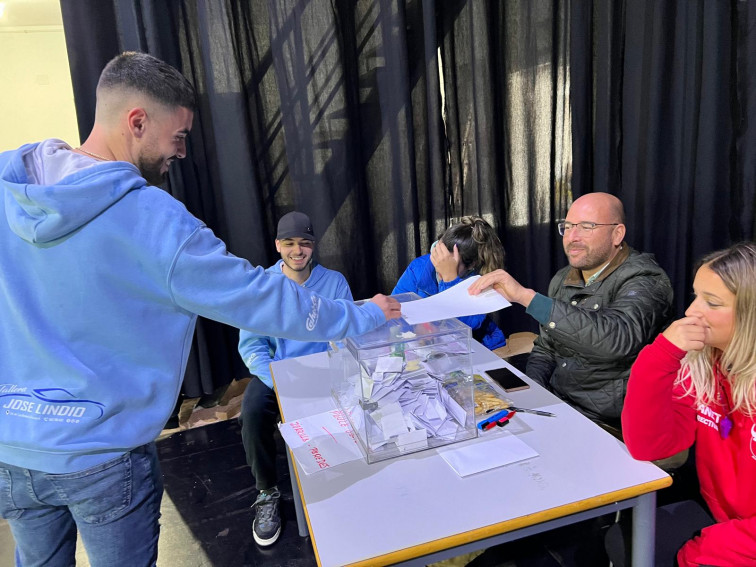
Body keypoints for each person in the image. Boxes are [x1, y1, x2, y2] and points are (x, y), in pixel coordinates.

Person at [0, 51, 400, 567]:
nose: (182, 153)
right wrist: (366, 313)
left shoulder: (12, 191)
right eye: (179, 137)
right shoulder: (151, 220)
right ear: (138, 121)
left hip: (13, 448)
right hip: (103, 456)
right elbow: (262, 299)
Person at [469, 193, 673, 431]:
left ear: (617, 234)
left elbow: (617, 339)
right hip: (560, 406)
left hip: (611, 423)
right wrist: (531, 394)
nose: (572, 237)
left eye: (587, 227)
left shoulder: (645, 279)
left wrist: (526, 297)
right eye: (567, 227)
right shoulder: (563, 278)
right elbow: (546, 349)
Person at [622, 242, 756, 566]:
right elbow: (649, 445)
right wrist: (659, 357)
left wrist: (705, 549)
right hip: (722, 525)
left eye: (712, 303)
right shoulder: (704, 367)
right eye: (696, 296)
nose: (692, 312)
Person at [238, 210, 354, 547]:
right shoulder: (264, 287)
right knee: (253, 410)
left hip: (324, 371)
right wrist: (280, 381)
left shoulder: (334, 283)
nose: (297, 251)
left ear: (313, 246)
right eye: (289, 243)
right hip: (278, 372)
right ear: (278, 245)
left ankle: (343, 487)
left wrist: (332, 366)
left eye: (304, 243)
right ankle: (266, 491)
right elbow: (252, 346)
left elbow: (345, 333)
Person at [392, 216, 507, 350]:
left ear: (472, 265)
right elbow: (393, 314)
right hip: (423, 347)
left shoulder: (483, 279)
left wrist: (450, 281)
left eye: (449, 263)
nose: (439, 266)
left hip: (471, 346)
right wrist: (415, 327)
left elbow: (464, 328)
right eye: (439, 256)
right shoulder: (418, 268)